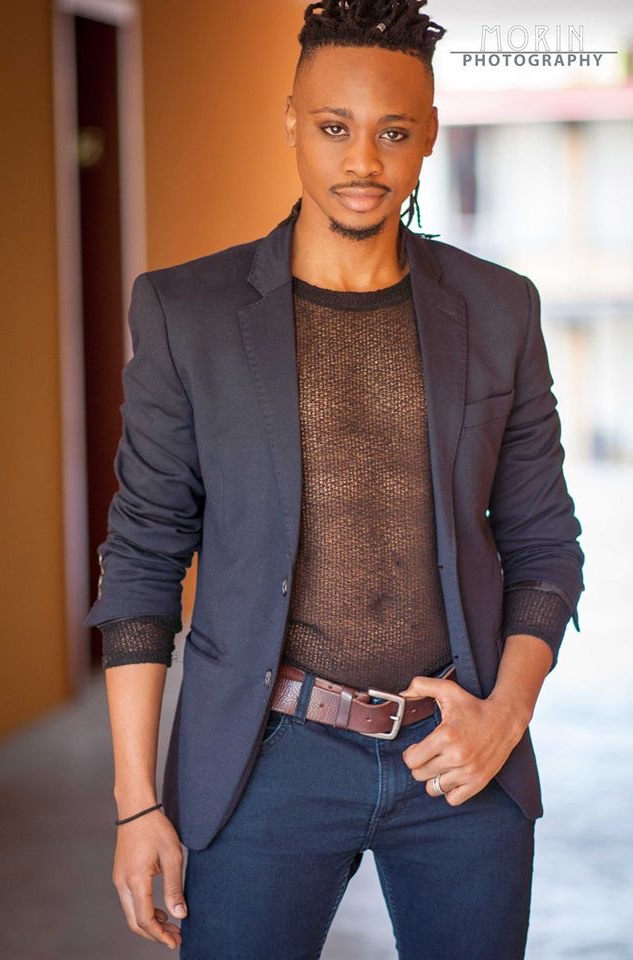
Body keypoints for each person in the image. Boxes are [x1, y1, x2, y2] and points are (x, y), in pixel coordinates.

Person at [84, 1, 585, 957]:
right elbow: (143, 560)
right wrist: (137, 802)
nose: (363, 161)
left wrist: (503, 717)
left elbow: (544, 544)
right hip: (264, 759)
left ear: (427, 133)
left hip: (457, 752)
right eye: (333, 127)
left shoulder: (498, 308)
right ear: (291, 122)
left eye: (392, 132)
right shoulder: (187, 312)